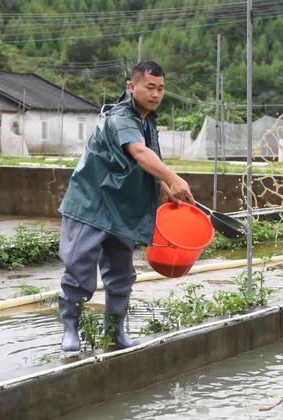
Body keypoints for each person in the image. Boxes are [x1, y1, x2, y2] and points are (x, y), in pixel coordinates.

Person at [57, 60, 194, 352]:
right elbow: (139, 153)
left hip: (120, 208)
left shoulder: (148, 121)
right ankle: (70, 329)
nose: (156, 94)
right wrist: (174, 177)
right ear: (132, 87)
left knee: (121, 273)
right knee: (80, 269)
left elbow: (141, 164)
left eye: (160, 89)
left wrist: (163, 186)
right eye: (149, 87)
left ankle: (115, 332)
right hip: (92, 204)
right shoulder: (121, 117)